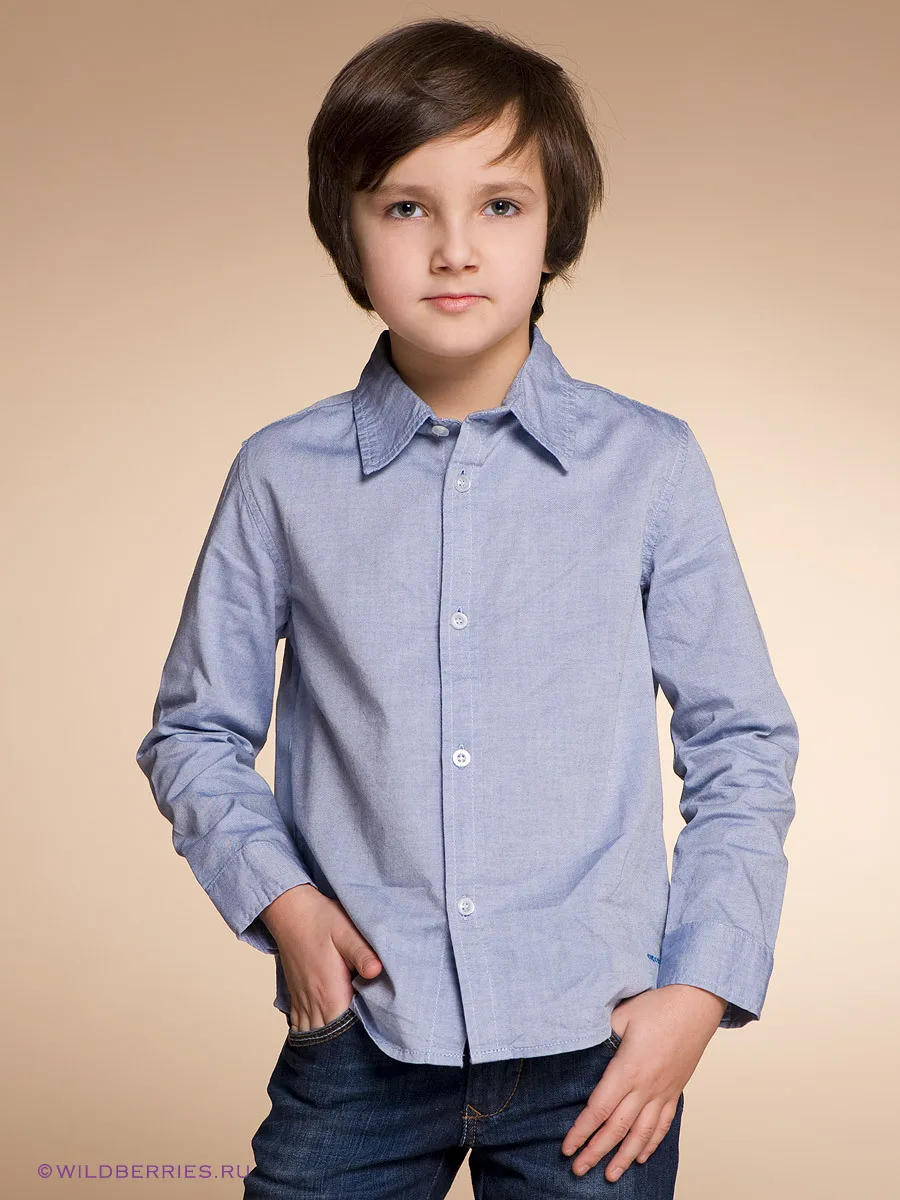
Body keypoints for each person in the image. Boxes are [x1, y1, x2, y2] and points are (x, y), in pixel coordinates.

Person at [135, 16, 799, 1199]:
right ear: (347, 230)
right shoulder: (281, 475)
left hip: (598, 1048)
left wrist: (700, 991)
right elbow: (193, 732)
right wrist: (284, 905)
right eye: (405, 207)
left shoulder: (648, 466)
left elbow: (741, 739)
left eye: (500, 205)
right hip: (361, 1040)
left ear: (555, 229)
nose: (453, 249)